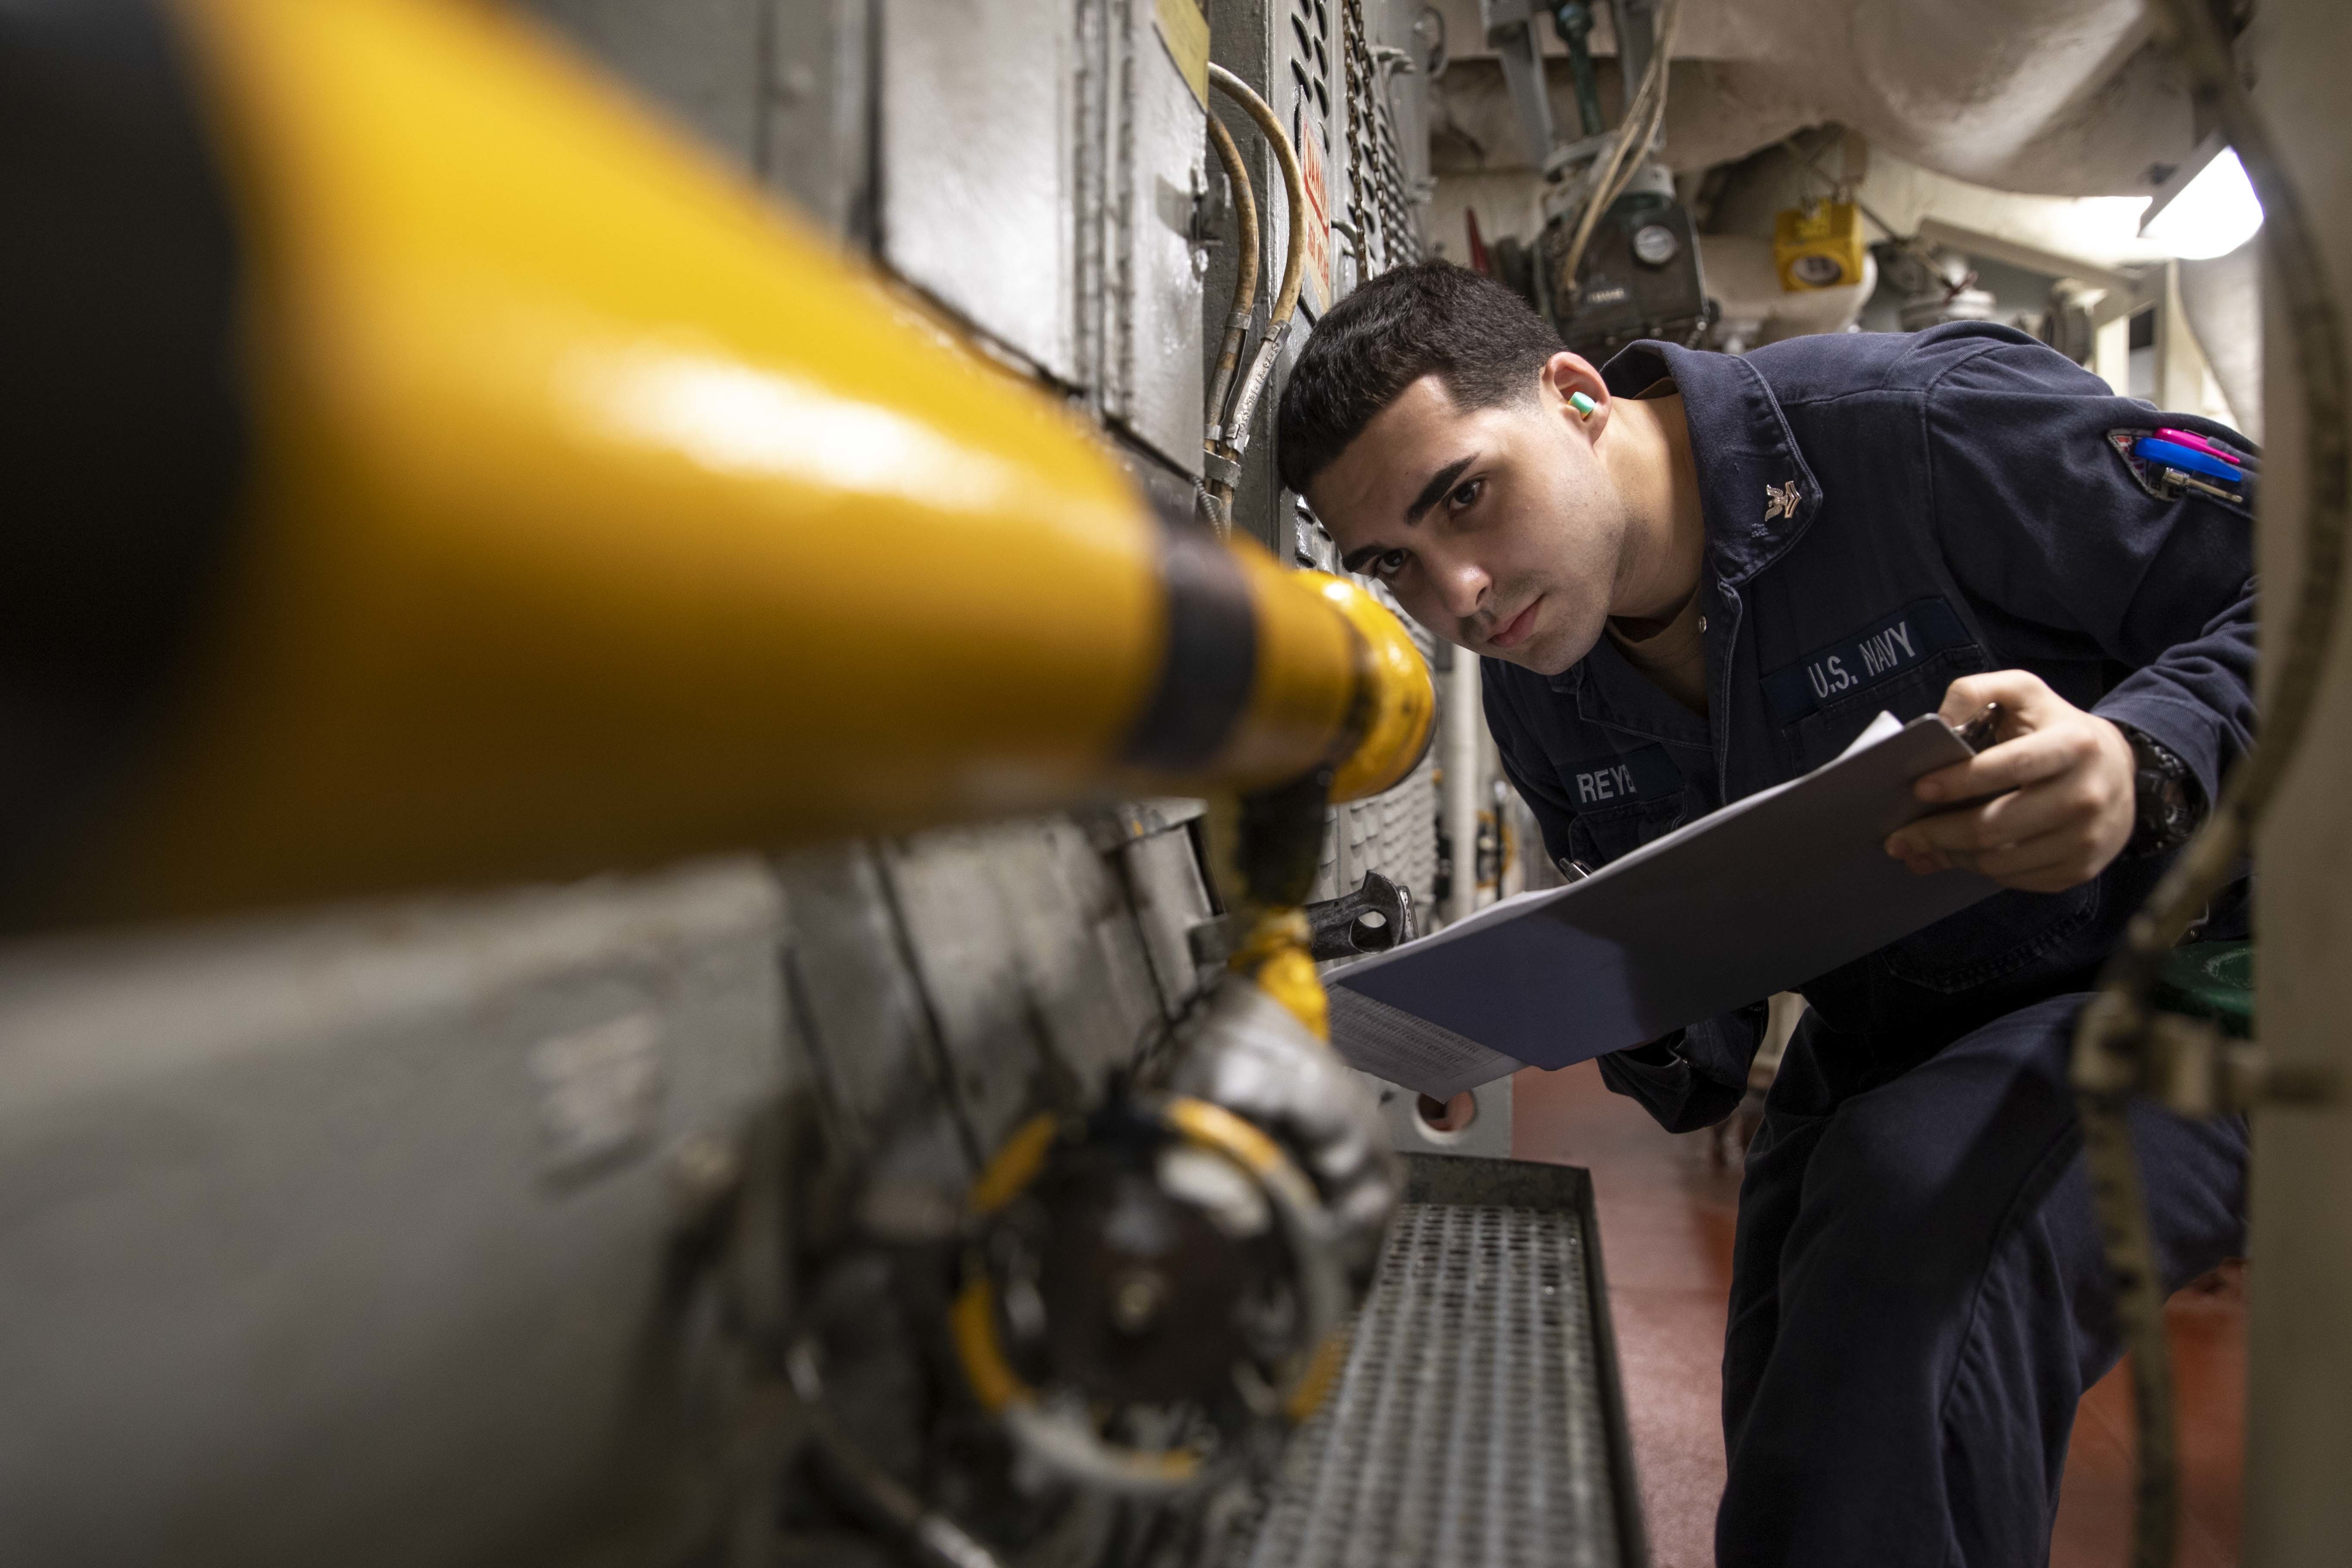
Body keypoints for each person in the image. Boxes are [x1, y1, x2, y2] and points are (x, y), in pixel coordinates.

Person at [1275, 260, 2253, 1566]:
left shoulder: (1918, 427)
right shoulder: (1544, 691)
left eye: (1464, 496)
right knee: (1793, 1404)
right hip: (1902, 1018)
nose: (1454, 595)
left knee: (1906, 1237)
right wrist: (1520, 1019)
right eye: (1393, 561)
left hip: (2197, 975)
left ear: (1572, 397)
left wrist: (2149, 759)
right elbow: (1706, 1042)